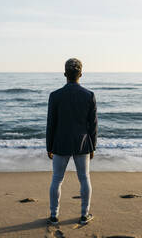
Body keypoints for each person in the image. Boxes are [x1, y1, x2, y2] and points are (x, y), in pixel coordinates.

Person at [46, 58, 98, 225]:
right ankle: (84, 215)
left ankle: (54, 216)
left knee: (57, 179)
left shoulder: (55, 96)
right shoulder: (89, 95)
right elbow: (93, 125)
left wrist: (49, 146)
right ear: (81, 74)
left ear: (64, 74)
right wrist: (93, 146)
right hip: (82, 143)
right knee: (84, 178)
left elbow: (51, 123)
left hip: (60, 143)